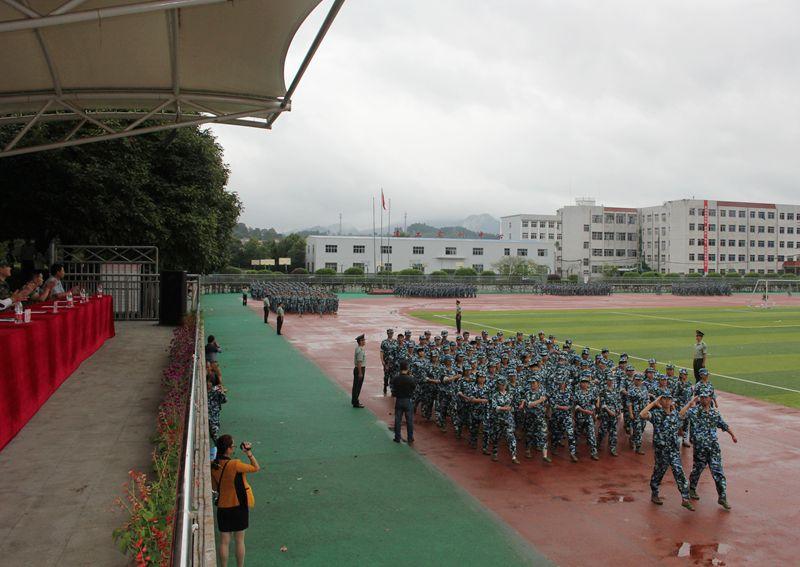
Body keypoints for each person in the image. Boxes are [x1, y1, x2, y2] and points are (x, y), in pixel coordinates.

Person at [680, 394, 737, 510]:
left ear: (710, 398)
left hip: (713, 448)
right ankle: (692, 488)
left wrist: (733, 435)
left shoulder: (714, 413)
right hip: (700, 448)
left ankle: (722, 497)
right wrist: (690, 403)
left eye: (706, 397)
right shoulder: (694, 411)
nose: (704, 399)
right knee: (697, 469)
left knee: (718, 472)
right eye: (702, 397)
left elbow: (724, 425)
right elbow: (680, 415)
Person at [211, 435, 260, 567]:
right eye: (232, 446)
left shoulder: (213, 465)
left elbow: (214, 487)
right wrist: (249, 453)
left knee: (224, 541)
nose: (233, 448)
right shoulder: (235, 464)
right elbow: (256, 468)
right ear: (228, 449)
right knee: (239, 540)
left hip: (223, 506)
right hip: (239, 505)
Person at [640, 394, 694, 511]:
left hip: (673, 450)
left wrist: (689, 404)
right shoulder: (656, 414)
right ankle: (654, 493)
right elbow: (642, 414)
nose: (667, 401)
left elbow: (681, 414)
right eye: (664, 399)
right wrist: (653, 403)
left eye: (669, 399)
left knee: (679, 472)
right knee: (658, 472)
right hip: (661, 451)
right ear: (661, 401)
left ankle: (685, 498)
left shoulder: (674, 414)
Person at [392, 359, 416, 443]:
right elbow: (414, 387)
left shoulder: (396, 378)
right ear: (407, 368)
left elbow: (393, 387)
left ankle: (397, 437)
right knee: (409, 420)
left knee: (398, 420)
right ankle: (410, 437)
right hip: (407, 400)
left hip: (399, 400)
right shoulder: (410, 379)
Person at [352, 334, 366, 408]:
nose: (364, 341)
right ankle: (356, 402)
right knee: (357, 386)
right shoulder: (360, 351)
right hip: (360, 369)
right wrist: (360, 373)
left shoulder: (358, 348)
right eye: (363, 340)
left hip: (357, 369)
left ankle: (354, 401)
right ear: (360, 341)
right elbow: (359, 362)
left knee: (355, 386)